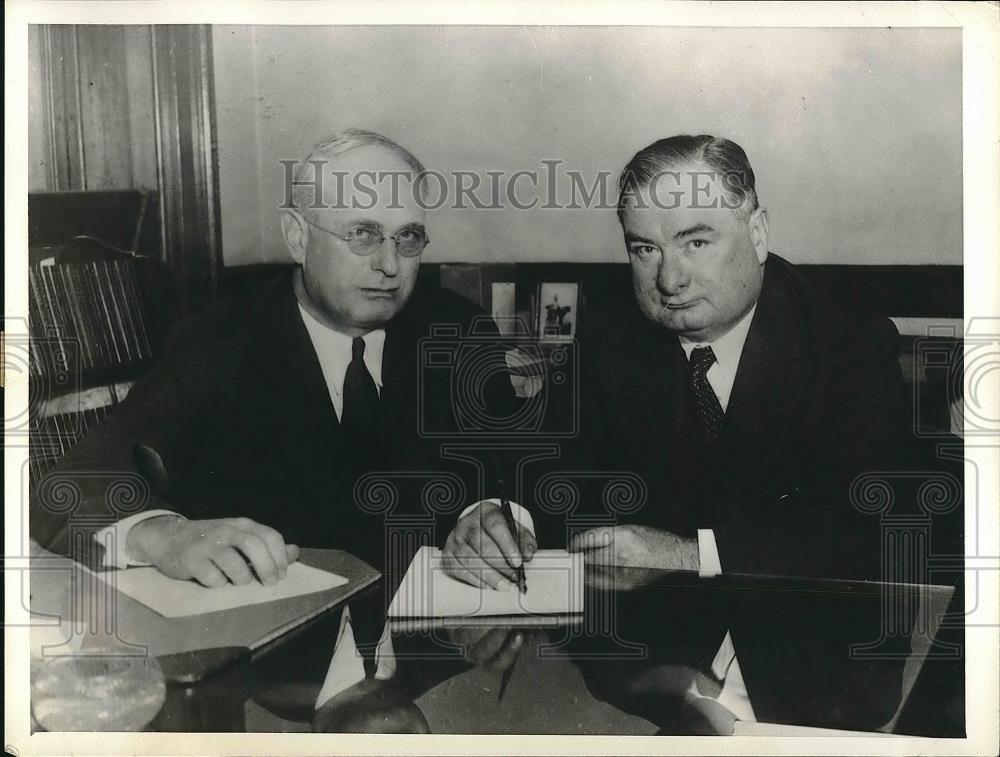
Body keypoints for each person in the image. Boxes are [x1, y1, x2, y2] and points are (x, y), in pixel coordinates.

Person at [33, 129, 515, 586]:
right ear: (298, 236)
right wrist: (165, 535)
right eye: (363, 235)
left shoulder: (458, 332)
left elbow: (523, 465)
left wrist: (492, 513)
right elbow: (73, 485)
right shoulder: (216, 345)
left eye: (407, 238)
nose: (389, 266)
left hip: (436, 636)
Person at [444, 133, 910, 585]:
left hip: (795, 625)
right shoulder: (609, 332)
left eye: (696, 243)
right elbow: (543, 463)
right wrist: (500, 519)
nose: (669, 280)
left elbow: (865, 528)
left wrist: (686, 556)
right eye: (646, 250)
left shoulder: (852, 345)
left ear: (757, 234)